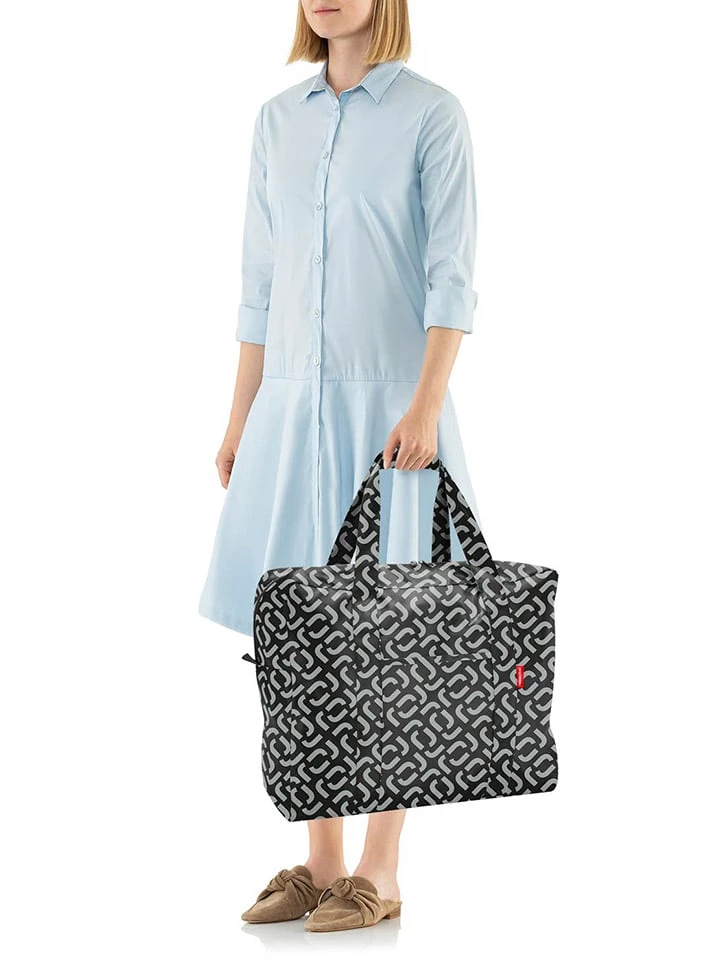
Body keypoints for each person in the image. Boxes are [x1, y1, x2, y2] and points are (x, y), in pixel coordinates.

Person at [198, 0, 481, 933]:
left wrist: (426, 405)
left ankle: (380, 870)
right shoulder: (276, 121)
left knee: (392, 637)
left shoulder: (431, 114)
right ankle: (322, 862)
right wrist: (242, 415)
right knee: (296, 635)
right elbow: (259, 283)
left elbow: (451, 276)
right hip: (288, 413)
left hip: (390, 416)